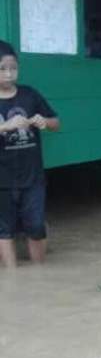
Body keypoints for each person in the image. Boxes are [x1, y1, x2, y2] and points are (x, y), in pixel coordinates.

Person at [0, 41, 60, 268]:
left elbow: (56, 122)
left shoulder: (29, 94)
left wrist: (44, 122)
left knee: (36, 226)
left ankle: (39, 275)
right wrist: (6, 127)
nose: (9, 74)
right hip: (2, 178)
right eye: (2, 69)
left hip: (32, 177)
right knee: (4, 229)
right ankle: (12, 278)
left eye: (13, 68)